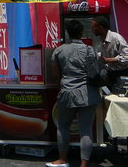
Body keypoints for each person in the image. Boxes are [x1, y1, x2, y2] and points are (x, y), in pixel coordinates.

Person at [47, 20, 101, 167]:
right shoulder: (90, 50)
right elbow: (95, 71)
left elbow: (56, 75)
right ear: (82, 32)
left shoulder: (58, 50)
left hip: (67, 92)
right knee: (86, 129)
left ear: (67, 32)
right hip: (88, 93)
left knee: (63, 126)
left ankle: (63, 159)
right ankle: (83, 164)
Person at [91, 16, 128, 94]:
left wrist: (110, 60)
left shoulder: (116, 38)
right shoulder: (100, 40)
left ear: (100, 27)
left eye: (94, 27)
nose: (92, 30)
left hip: (122, 73)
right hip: (110, 73)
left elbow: (127, 56)